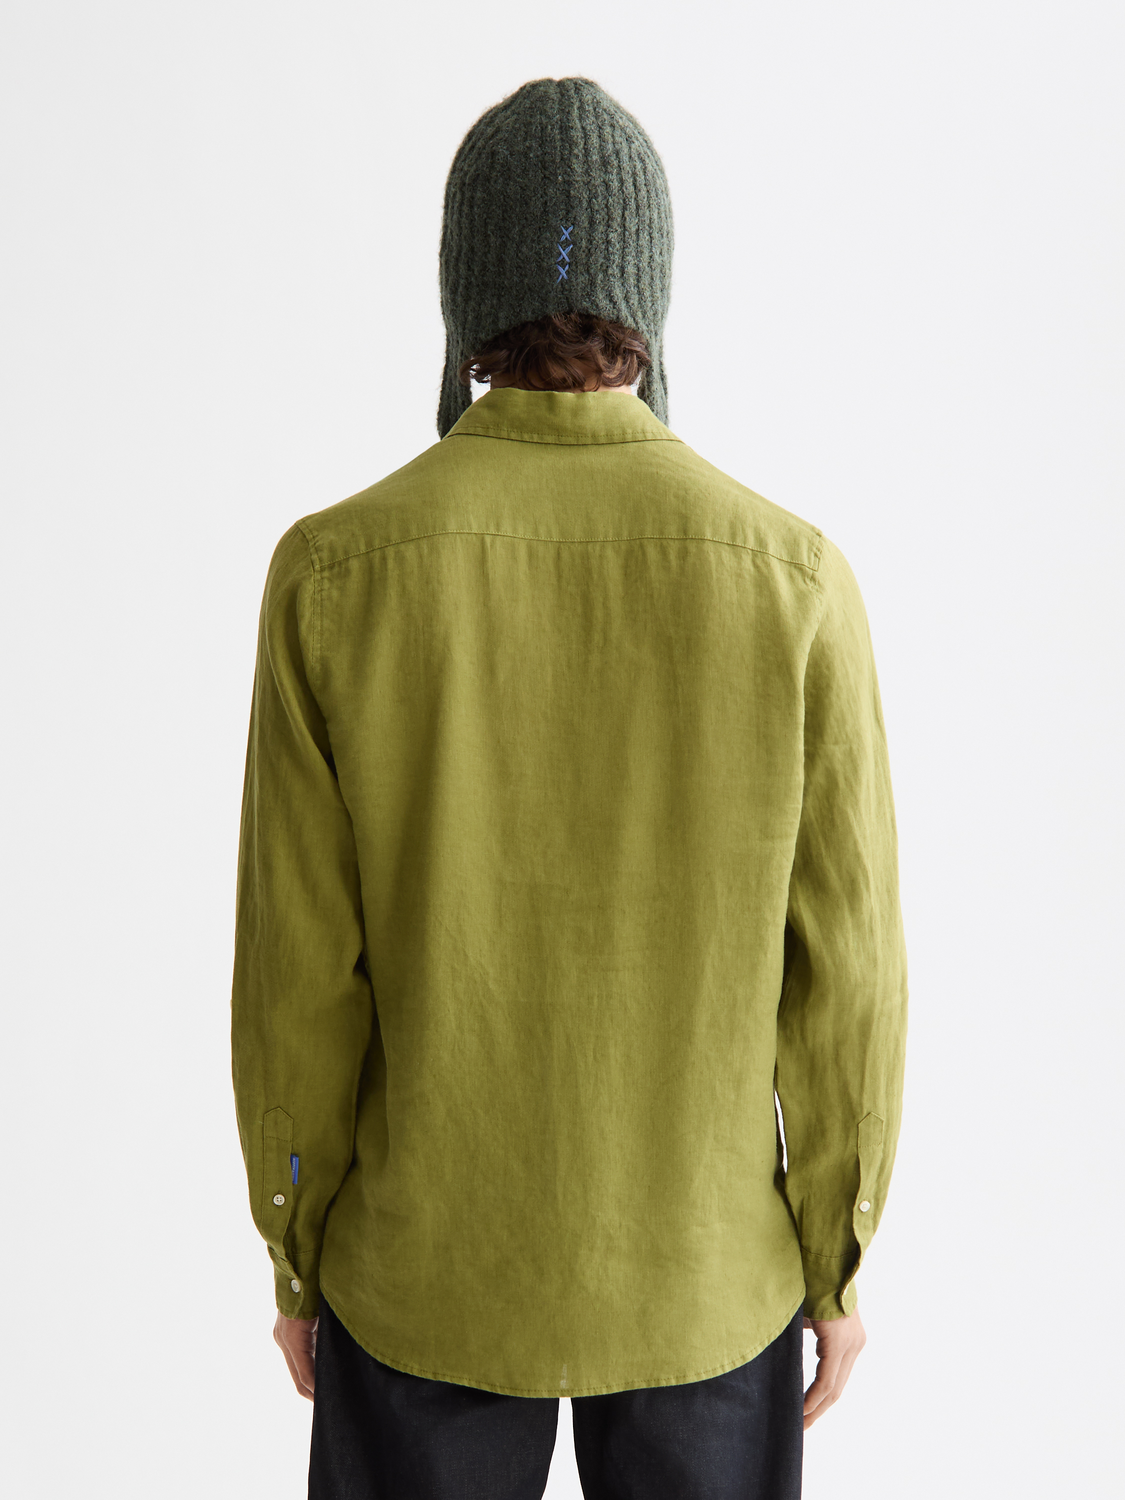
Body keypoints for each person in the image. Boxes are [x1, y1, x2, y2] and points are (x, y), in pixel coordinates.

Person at [231, 76, 908, 1500]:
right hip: (702, 1279)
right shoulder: (793, 582)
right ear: (650, 303)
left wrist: (296, 1247)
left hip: (420, 1273)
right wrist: (835, 1258)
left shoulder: (332, 576)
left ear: (463, 301)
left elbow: (299, 978)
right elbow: (846, 979)